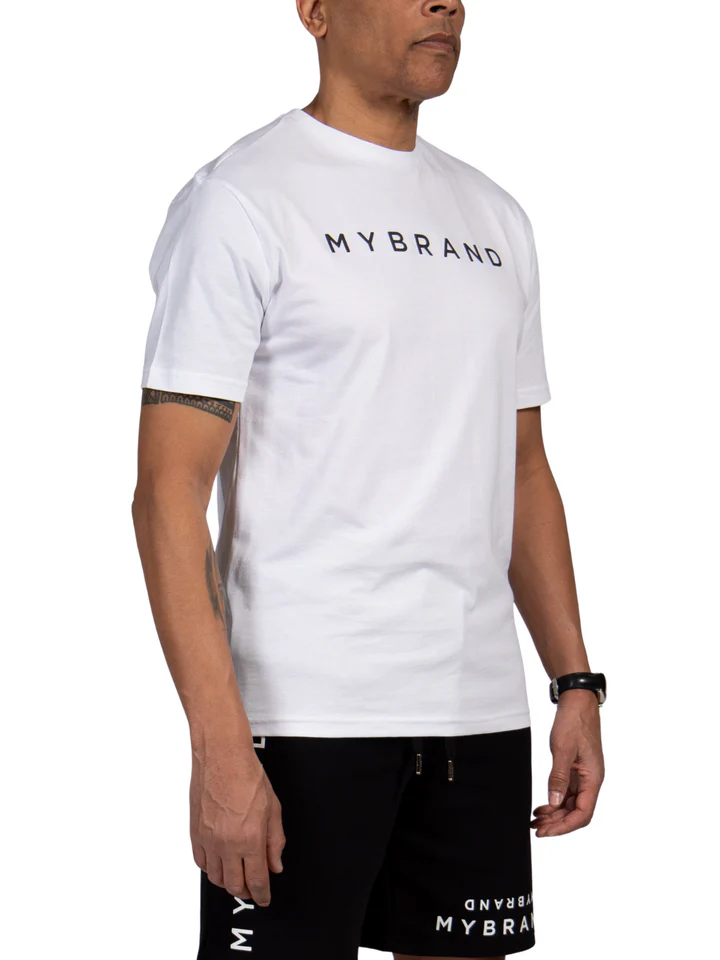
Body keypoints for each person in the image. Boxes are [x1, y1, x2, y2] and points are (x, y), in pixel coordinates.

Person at [132, 1, 606, 957]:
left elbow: (521, 465)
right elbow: (167, 494)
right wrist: (220, 748)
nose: (446, 4)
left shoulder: (495, 217)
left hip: (474, 711)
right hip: (304, 714)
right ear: (314, 10)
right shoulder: (242, 199)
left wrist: (575, 681)